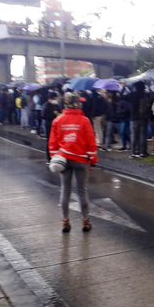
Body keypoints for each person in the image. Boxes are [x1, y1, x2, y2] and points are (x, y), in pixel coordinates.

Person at [48, 92, 98, 233]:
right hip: (81, 160)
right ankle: (86, 221)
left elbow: (52, 143)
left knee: (65, 190)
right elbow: (90, 142)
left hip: (64, 159)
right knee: (82, 191)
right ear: (78, 104)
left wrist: (54, 157)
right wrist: (92, 159)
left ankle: (65, 221)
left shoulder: (57, 121)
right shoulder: (84, 121)